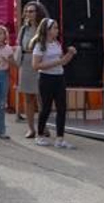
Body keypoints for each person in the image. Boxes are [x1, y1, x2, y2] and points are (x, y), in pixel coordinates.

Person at [31, 17, 76, 148]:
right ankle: (39, 135)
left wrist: (70, 54)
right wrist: (57, 62)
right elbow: (35, 65)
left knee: (62, 108)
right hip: (46, 78)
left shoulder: (56, 43)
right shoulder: (40, 45)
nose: (57, 30)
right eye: (54, 28)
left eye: (57, 27)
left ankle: (60, 138)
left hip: (59, 77)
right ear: (47, 30)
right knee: (46, 108)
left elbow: (63, 61)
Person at [16, 2, 48, 136]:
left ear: (38, 13)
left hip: (41, 62)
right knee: (28, 98)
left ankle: (43, 127)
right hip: (27, 63)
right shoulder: (24, 29)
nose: (28, 14)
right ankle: (31, 128)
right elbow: (19, 46)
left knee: (42, 98)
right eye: (27, 11)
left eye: (32, 11)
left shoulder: (45, 27)